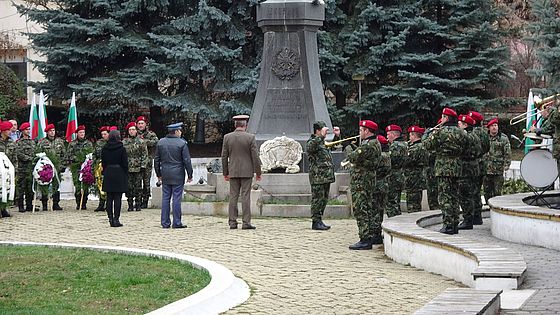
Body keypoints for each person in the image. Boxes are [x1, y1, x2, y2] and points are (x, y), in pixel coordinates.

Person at [423, 108, 468, 235]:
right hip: (457, 167)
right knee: (454, 196)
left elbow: (427, 145)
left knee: (445, 197)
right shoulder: (462, 133)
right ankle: (454, 223)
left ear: (446, 118)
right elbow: (468, 147)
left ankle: (448, 225)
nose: (441, 120)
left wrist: (427, 134)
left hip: (443, 168)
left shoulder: (440, 132)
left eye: (442, 117)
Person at [221, 114, 262, 230]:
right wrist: (258, 172)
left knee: (233, 196)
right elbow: (255, 156)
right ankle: (246, 222)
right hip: (247, 171)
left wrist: (225, 172)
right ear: (245, 125)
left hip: (233, 171)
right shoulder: (250, 137)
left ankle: (232, 222)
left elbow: (224, 156)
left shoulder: (227, 137)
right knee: (245, 196)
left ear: (235, 125)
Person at [347, 120, 382, 249]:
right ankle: (371, 235)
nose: (360, 133)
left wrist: (348, 146)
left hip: (362, 181)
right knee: (368, 207)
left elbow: (353, 157)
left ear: (367, 131)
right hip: (367, 180)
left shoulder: (368, 145)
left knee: (361, 209)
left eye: (361, 130)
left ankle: (365, 239)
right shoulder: (374, 142)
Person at [154, 122, 193, 229]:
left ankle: (165, 222)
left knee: (165, 198)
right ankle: (177, 222)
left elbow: (156, 160)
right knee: (176, 198)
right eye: (179, 131)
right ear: (176, 132)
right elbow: (187, 161)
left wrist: (158, 174)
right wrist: (190, 175)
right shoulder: (182, 143)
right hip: (178, 174)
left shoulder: (161, 142)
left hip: (165, 173)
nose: (180, 132)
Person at [306, 121, 334, 231]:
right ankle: (315, 221)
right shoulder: (313, 141)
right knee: (317, 199)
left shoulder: (322, 142)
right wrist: (320, 136)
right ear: (318, 131)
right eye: (323, 130)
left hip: (325, 176)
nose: (325, 132)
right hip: (317, 177)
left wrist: (336, 136)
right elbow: (309, 148)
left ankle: (320, 220)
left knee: (323, 199)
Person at [457, 114, 482, 230]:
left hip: (465, 167)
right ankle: (473, 217)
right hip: (474, 166)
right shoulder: (476, 135)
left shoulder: (465, 136)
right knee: (473, 193)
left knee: (465, 195)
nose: (458, 126)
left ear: (465, 125)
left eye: (460, 124)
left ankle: (467, 220)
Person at [101, 130, 128, 227]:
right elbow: (125, 163)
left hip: (108, 172)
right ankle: (116, 219)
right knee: (117, 198)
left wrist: (105, 171)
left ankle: (110, 218)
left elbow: (103, 162)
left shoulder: (104, 148)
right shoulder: (122, 148)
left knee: (109, 197)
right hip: (119, 172)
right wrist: (125, 173)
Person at [36, 124, 66, 211]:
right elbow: (38, 154)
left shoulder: (59, 141)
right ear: (47, 132)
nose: (52, 132)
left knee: (56, 185)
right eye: (50, 131)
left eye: (53, 130)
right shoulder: (42, 142)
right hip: (46, 167)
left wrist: (62, 165)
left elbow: (64, 154)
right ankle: (44, 203)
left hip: (57, 166)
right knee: (45, 185)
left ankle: (56, 203)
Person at [468, 111, 490, 225]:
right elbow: (487, 147)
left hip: (473, 164)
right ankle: (478, 215)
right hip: (482, 164)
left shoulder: (472, 133)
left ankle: (473, 215)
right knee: (477, 190)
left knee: (472, 191)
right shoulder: (485, 132)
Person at [483, 118, 511, 203]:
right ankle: (488, 207)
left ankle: (497, 208)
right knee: (486, 192)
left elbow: (507, 153)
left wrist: (506, 165)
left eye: (496, 125)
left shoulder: (503, 138)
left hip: (498, 170)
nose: (494, 127)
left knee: (497, 192)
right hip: (486, 169)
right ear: (489, 128)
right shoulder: (485, 137)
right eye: (492, 126)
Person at [66, 125, 94, 210]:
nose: (82, 134)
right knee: (77, 185)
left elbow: (92, 154)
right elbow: (69, 155)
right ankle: (78, 203)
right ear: (77, 134)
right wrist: (77, 158)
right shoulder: (73, 144)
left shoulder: (88, 143)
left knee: (85, 185)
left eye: (83, 132)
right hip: (76, 167)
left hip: (86, 168)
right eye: (80, 132)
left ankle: (84, 202)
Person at [122, 122, 148, 212]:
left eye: (133, 129)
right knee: (129, 187)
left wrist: (143, 166)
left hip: (138, 168)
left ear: (136, 131)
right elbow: (122, 155)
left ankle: (138, 204)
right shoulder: (124, 142)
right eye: (130, 130)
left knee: (138, 187)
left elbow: (145, 155)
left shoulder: (141, 142)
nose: (131, 131)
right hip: (128, 168)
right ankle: (130, 204)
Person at [136, 116, 159, 208]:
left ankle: (145, 200)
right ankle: (137, 200)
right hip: (136, 162)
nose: (140, 125)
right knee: (137, 182)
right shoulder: (134, 133)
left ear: (145, 124)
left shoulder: (150, 134)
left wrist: (143, 141)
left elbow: (156, 142)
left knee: (146, 182)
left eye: (142, 123)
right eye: (139, 123)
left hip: (147, 161)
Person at [385, 124, 408, 217]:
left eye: (388, 134)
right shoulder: (404, 144)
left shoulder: (395, 145)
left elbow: (390, 161)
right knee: (396, 201)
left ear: (393, 135)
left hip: (393, 176)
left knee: (391, 203)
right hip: (401, 175)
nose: (387, 137)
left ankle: (393, 222)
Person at [405, 126, 429, 213]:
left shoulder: (414, 148)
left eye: (410, 135)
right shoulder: (423, 146)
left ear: (414, 136)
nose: (409, 138)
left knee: (412, 203)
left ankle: (412, 221)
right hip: (420, 176)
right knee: (417, 200)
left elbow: (406, 161)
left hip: (413, 177)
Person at [15, 122, 36, 212]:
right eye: (26, 129)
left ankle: (29, 205)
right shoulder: (19, 142)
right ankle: (20, 205)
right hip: (22, 168)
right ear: (23, 131)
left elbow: (35, 152)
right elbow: (18, 153)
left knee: (30, 187)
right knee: (21, 187)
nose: (28, 131)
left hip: (31, 168)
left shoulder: (32, 142)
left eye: (29, 129)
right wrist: (28, 158)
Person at [0, 121, 16, 218]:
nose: (10, 132)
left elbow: (14, 157)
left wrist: (15, 170)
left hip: (9, 171)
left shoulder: (11, 142)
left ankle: (4, 209)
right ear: (3, 131)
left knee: (7, 188)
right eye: (8, 130)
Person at [93, 126, 110, 212]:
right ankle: (101, 204)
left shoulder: (112, 142)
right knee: (100, 184)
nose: (104, 136)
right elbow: (95, 154)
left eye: (105, 134)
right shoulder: (99, 143)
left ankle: (108, 204)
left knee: (108, 185)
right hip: (99, 167)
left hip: (109, 167)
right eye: (102, 134)